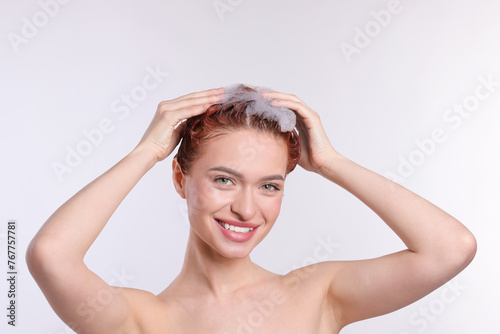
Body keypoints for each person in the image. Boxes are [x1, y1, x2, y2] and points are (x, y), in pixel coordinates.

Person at [26, 84, 477, 333]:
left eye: (269, 185)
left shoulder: (320, 295)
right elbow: (50, 255)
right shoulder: (144, 320)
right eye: (224, 180)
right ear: (181, 180)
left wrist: (331, 163)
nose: (246, 208)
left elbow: (450, 248)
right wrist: (146, 152)